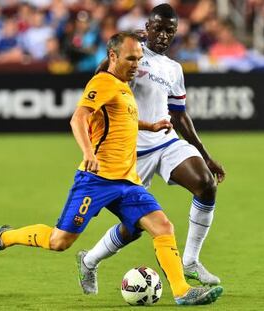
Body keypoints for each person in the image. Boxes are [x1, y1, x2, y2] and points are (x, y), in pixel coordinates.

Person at [0, 31, 223, 306]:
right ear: (113, 56)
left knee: (162, 226)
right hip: (96, 180)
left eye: (139, 59)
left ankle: (182, 291)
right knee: (60, 241)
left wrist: (151, 126)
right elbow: (78, 118)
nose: (136, 65)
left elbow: (123, 119)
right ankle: (5, 236)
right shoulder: (103, 82)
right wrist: (88, 152)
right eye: (130, 59)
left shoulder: (124, 85)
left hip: (127, 181)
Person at [77, 3, 226, 296]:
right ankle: (90, 260)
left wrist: (205, 156)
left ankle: (191, 261)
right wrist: (123, 46)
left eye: (169, 31)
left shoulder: (174, 69)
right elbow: (99, 77)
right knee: (134, 227)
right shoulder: (133, 55)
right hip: (131, 153)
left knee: (206, 185)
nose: (163, 35)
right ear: (147, 27)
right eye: (157, 28)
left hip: (166, 141)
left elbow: (180, 115)